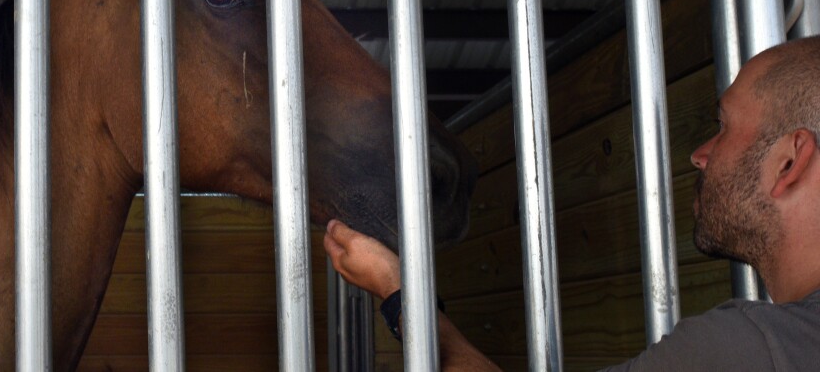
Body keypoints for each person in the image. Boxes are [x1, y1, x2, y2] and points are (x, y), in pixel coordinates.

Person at [324, 36, 820, 371]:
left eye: (724, 127)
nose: (699, 154)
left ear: (788, 161)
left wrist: (395, 289)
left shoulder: (754, 348)